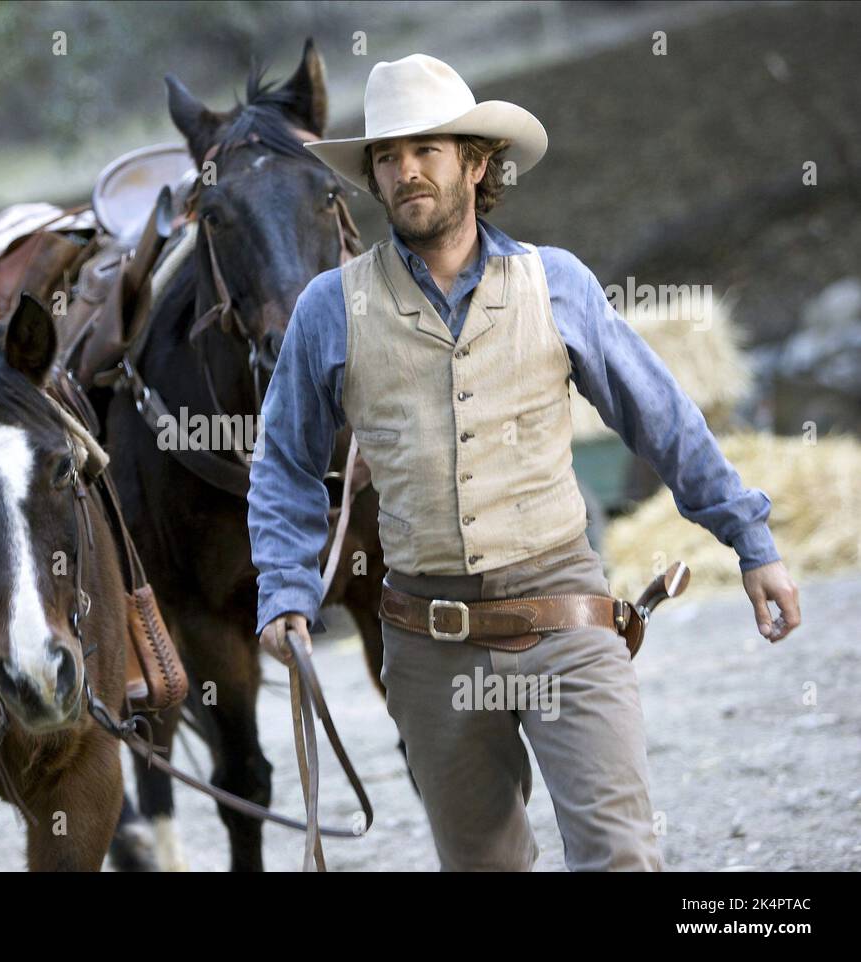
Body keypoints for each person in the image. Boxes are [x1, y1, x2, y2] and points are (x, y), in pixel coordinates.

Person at [247, 54, 801, 871]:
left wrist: (752, 541)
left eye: (427, 150)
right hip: (425, 643)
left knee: (619, 856)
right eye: (389, 158)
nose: (406, 173)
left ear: (475, 161)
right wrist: (284, 589)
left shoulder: (557, 285)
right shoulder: (330, 310)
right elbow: (286, 464)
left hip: (565, 622)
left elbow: (662, 420)